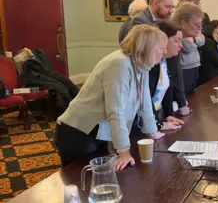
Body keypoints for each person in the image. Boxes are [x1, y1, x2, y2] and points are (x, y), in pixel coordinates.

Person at [55, 25, 167, 170]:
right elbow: (116, 110)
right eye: (160, 49)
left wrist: (153, 131)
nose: (163, 53)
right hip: (80, 133)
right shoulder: (119, 64)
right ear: (147, 48)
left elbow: (144, 101)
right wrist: (124, 151)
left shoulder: (141, 64)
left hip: (97, 131)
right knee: (85, 183)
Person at [150, 20, 186, 130]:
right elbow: (145, 100)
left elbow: (167, 89)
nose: (181, 46)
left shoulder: (168, 60)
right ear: (163, 40)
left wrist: (168, 115)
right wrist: (157, 124)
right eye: (177, 41)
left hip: (156, 117)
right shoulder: (150, 64)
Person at [175, 3, 205, 95]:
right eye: (196, 24)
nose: (200, 27)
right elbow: (187, 47)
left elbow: (203, 39)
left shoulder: (192, 34)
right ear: (183, 23)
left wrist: (194, 39)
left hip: (195, 65)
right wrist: (195, 40)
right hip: (184, 69)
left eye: (201, 24)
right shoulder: (177, 34)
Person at [198, 20, 218, 85]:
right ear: (212, 29)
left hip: (217, 71)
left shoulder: (215, 40)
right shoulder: (208, 41)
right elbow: (214, 57)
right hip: (210, 74)